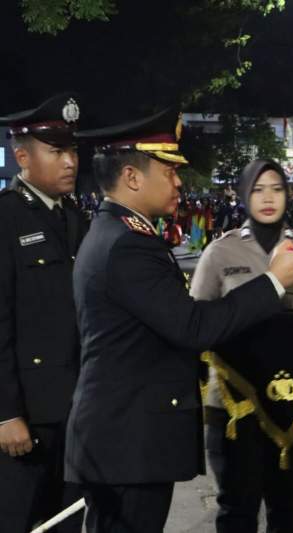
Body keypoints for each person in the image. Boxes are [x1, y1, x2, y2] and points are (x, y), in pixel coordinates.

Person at [66, 109, 293, 533]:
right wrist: (275, 281)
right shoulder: (128, 245)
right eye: (168, 171)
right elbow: (193, 326)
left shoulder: (119, 233)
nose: (179, 181)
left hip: (123, 438)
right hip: (129, 443)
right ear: (132, 177)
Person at [191, 159, 293, 533]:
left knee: (287, 503)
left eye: (276, 188)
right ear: (243, 196)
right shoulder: (220, 253)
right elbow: (196, 324)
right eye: (258, 189)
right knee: (237, 507)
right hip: (233, 409)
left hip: (292, 404)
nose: (268, 197)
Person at [0, 94, 86, 532]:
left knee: (67, 523)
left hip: (75, 409)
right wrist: (6, 413)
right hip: (27, 417)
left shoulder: (74, 217)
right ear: (21, 157)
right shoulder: (5, 218)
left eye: (72, 150)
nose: (70, 161)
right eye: (57, 151)